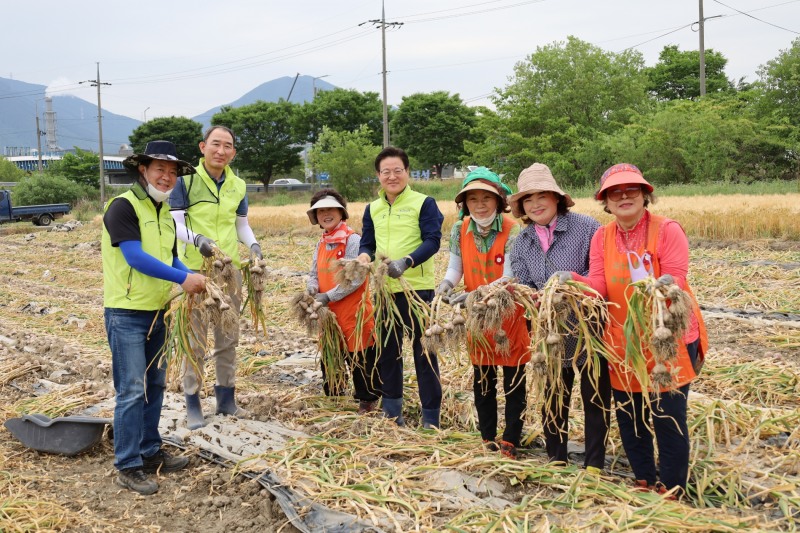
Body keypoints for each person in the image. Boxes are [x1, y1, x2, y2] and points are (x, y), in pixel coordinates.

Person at [562, 163, 708, 495]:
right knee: (630, 415)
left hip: (665, 337)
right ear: (605, 201)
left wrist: (666, 283)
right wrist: (574, 281)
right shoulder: (602, 236)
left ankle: (671, 486)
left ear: (644, 194)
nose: (624, 196)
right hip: (622, 338)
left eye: (631, 189)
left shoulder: (667, 229)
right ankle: (643, 477)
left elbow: (677, 276)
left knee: (667, 415)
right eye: (615, 192)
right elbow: (600, 284)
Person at [102, 140, 206, 495]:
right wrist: (182, 279)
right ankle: (127, 464)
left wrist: (193, 275)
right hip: (127, 313)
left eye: (173, 172)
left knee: (156, 385)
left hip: (159, 312)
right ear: (143, 169)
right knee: (132, 390)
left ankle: (149, 451)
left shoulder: (164, 213)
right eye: (160, 169)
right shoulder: (123, 206)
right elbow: (135, 257)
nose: (167, 177)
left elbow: (170, 257)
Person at [508, 162, 609, 472]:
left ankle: (594, 464)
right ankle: (556, 459)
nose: (535, 204)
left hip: (589, 325)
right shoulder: (522, 241)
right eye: (528, 199)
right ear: (522, 206)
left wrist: (572, 285)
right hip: (549, 328)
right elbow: (524, 282)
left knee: (594, 395)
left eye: (542, 196)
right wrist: (531, 297)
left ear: (556, 197)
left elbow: (599, 272)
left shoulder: (587, 227)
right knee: (553, 393)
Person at [169, 126, 263, 430]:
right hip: (195, 271)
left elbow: (241, 224)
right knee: (195, 340)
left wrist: (253, 245)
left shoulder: (238, 184)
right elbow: (175, 225)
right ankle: (193, 402)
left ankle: (226, 399)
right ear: (203, 147)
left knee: (228, 337)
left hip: (228, 271)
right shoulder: (184, 181)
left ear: (233, 152)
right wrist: (198, 241)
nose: (221, 151)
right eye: (215, 144)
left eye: (228, 146)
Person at [440, 167, 529, 459]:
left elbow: (509, 276)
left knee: (514, 379)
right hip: (477, 316)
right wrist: (446, 284)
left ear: (499, 200)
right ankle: (487, 436)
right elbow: (455, 267)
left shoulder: (513, 229)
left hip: (509, 314)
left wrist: (475, 294)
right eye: (473, 199)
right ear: (465, 203)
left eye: (486, 198)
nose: (480, 204)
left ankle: (512, 438)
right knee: (483, 377)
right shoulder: (459, 229)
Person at [357, 146, 444, 428]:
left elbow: (433, 241)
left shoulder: (424, 203)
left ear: (407, 172)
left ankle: (430, 418)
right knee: (388, 353)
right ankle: (392, 414)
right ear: (378, 175)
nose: (392, 176)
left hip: (417, 290)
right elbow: (368, 244)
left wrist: (407, 262)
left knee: (424, 352)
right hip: (385, 292)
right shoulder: (373, 208)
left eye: (398, 171)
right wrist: (363, 257)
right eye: (386, 172)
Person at [305, 188, 381, 413]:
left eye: (331, 209)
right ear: (315, 217)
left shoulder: (353, 240)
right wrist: (311, 289)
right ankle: (335, 397)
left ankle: (367, 399)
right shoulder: (321, 242)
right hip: (328, 313)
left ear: (341, 212)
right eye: (320, 211)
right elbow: (314, 273)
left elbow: (356, 279)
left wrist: (328, 296)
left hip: (353, 311)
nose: (326, 214)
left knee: (360, 355)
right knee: (332, 353)